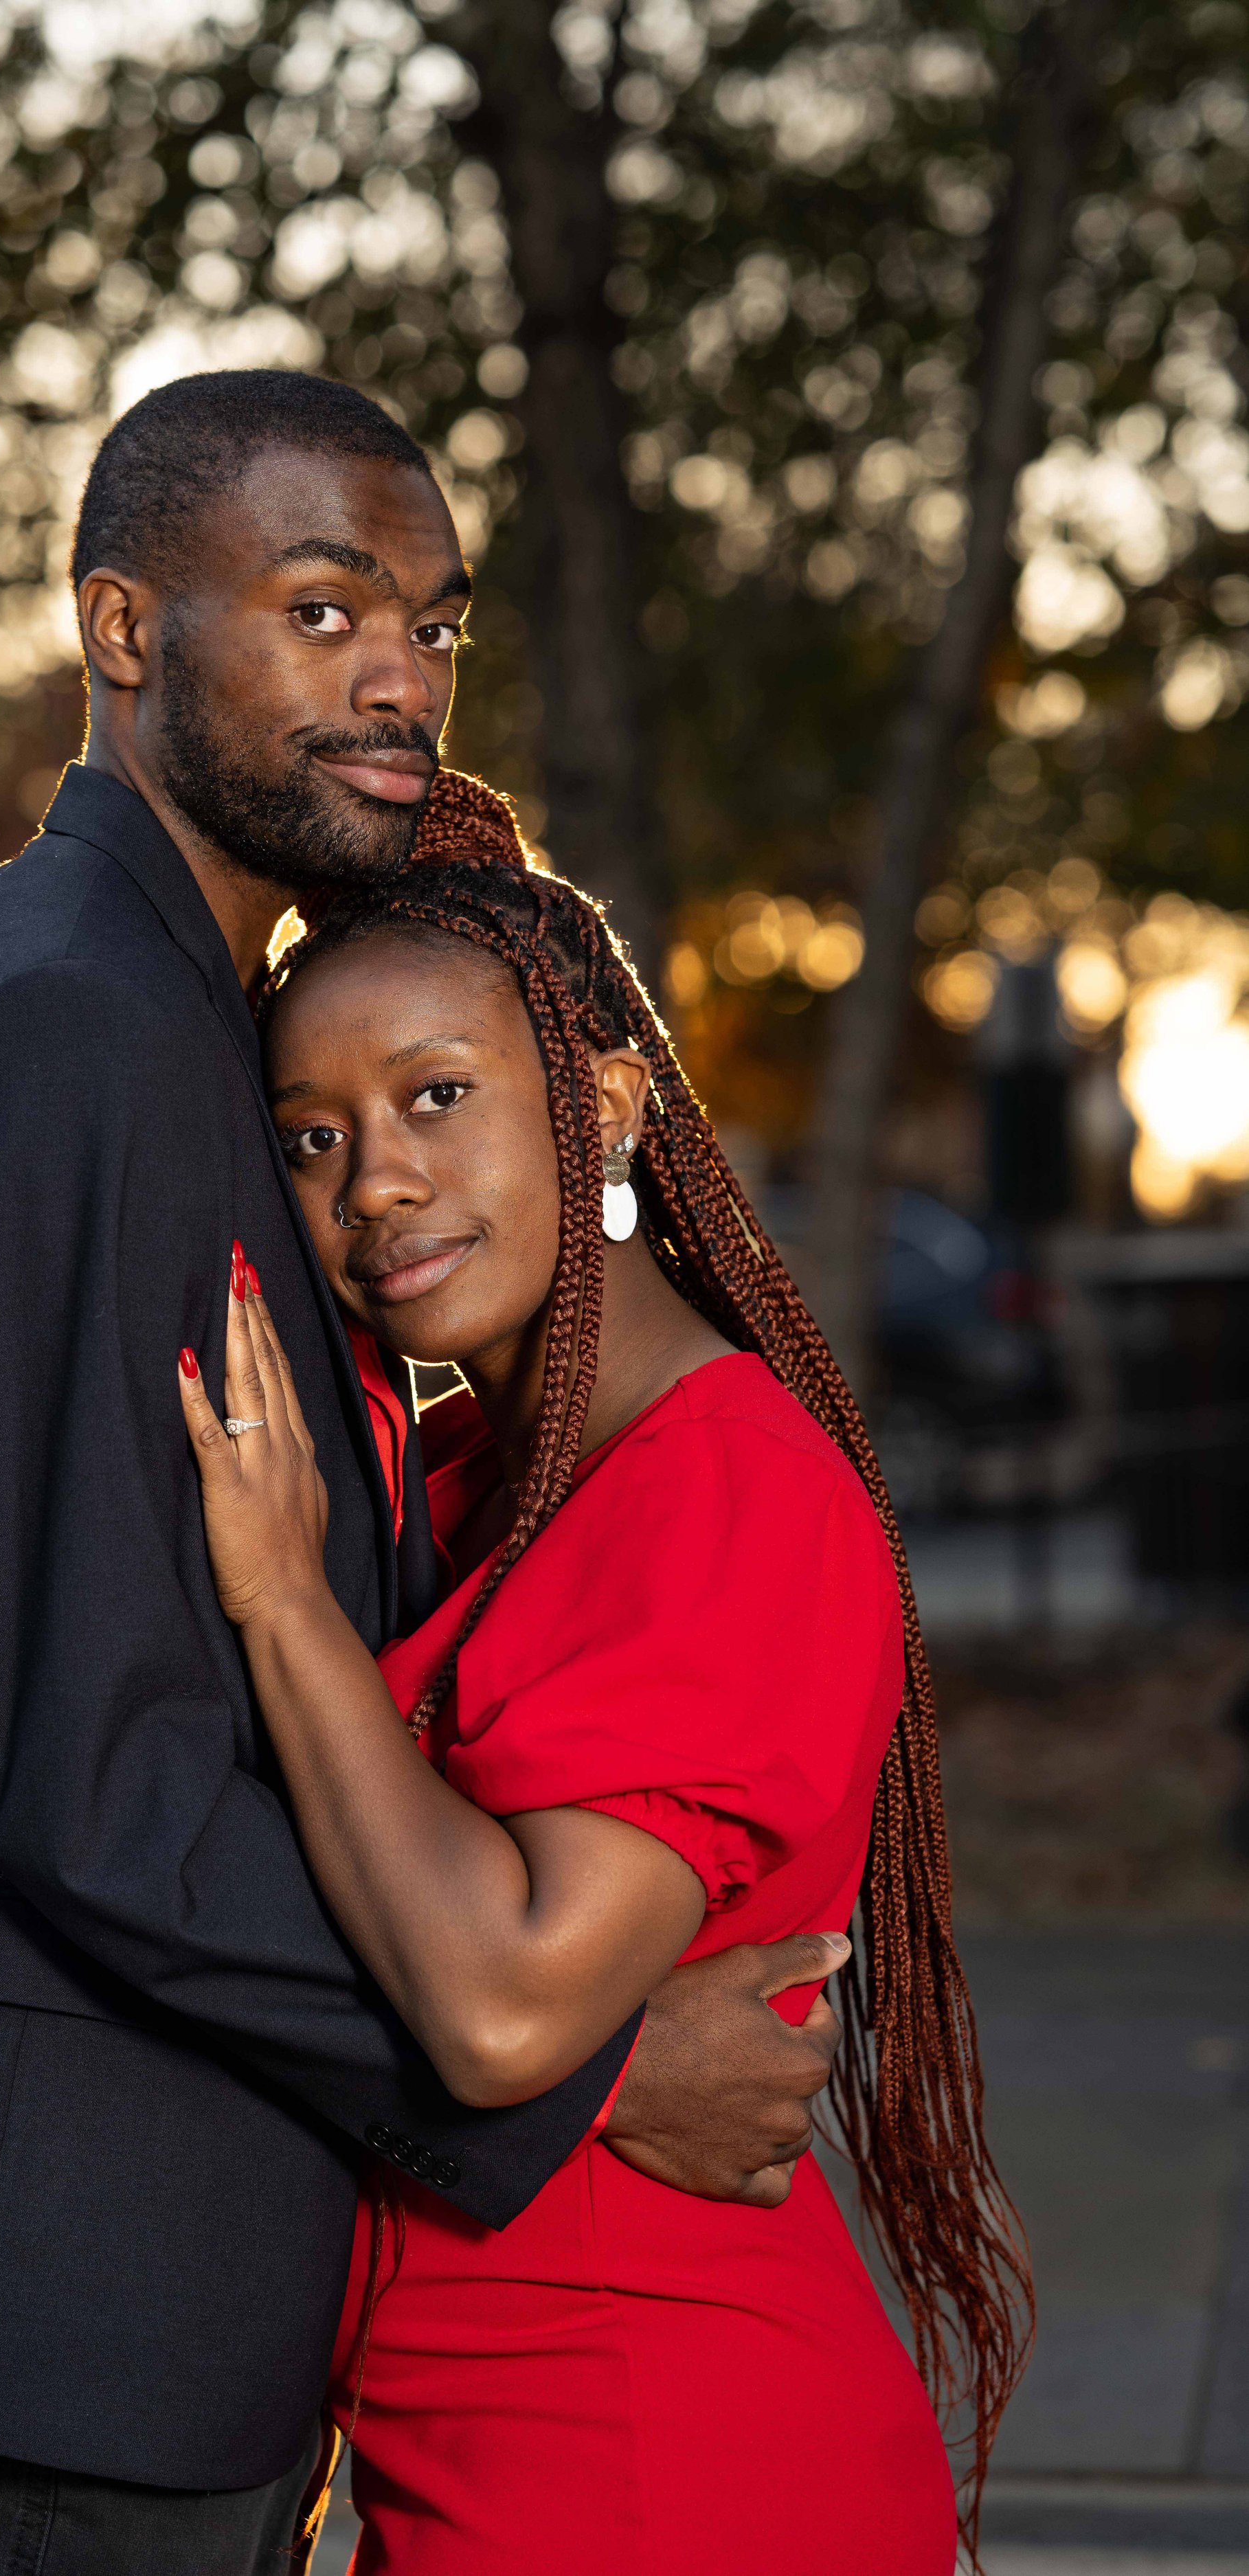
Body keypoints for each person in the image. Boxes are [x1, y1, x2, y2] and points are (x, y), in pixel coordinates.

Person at [0, 374, 854, 2576]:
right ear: (122, 627)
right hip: (51, 2304)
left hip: (138, 2294)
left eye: (429, 619)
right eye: (320, 611)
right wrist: (584, 2080)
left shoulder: (160, 1014)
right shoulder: (76, 1034)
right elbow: (93, 1775)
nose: (398, 673)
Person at [179, 769, 1034, 2575]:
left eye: (434, 1097)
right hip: (488, 2462)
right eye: (310, 1136)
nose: (375, 1177)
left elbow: (499, 2005)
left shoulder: (718, 1486)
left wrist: (282, 1609)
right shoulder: (499, 1476)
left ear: (609, 1104)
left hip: (656, 2468)